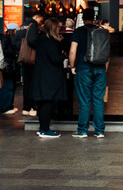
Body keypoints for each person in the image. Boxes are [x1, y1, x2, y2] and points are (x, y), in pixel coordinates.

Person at [69, 8, 108, 138]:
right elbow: (107, 54)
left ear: (83, 18)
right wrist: (104, 69)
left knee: (85, 100)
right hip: (100, 69)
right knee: (98, 100)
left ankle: (82, 130)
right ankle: (99, 131)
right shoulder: (103, 32)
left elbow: (73, 51)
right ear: (94, 18)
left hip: (83, 68)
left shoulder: (78, 31)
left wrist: (72, 66)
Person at [31, 18, 67, 138]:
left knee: (43, 102)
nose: (60, 30)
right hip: (49, 76)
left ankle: (42, 128)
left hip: (41, 75)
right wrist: (63, 55)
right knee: (48, 102)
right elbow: (55, 59)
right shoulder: (49, 41)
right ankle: (45, 130)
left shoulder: (41, 40)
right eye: (59, 27)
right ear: (53, 27)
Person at [15, 11, 44, 116]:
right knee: (33, 83)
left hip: (24, 58)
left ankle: (26, 107)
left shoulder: (21, 26)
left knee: (26, 84)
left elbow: (15, 42)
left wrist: (22, 51)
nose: (41, 23)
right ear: (36, 17)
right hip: (32, 59)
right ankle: (32, 107)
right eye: (41, 20)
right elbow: (32, 41)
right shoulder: (33, 25)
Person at [0, 23, 19, 115]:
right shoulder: (6, 39)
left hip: (9, 66)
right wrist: (14, 52)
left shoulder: (6, 38)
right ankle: (6, 107)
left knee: (9, 86)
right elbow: (4, 51)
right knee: (8, 86)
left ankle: (9, 105)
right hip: (8, 66)